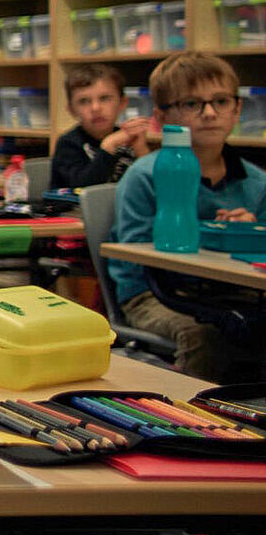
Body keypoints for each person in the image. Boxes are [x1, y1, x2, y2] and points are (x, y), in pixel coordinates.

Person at [109, 53, 266, 381]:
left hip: (235, 293)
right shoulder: (145, 175)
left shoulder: (256, 181)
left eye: (221, 101)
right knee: (203, 337)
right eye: (192, 103)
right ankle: (191, 422)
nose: (209, 113)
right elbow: (136, 258)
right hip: (152, 295)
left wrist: (251, 231)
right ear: (162, 117)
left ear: (237, 109)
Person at [50, 64, 154, 189]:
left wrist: (140, 148)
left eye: (104, 98)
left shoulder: (127, 138)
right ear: (72, 110)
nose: (96, 108)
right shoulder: (68, 144)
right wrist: (108, 146)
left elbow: (153, 186)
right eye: (84, 101)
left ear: (122, 103)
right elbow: (82, 189)